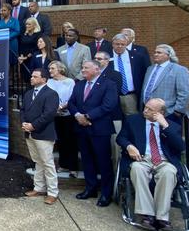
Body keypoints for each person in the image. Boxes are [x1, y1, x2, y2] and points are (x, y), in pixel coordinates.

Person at [116, 98, 184, 231]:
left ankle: (162, 217)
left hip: (163, 160)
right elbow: (121, 138)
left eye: (150, 109)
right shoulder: (133, 121)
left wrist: (165, 126)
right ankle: (147, 215)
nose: (145, 110)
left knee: (169, 173)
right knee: (137, 169)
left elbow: (180, 147)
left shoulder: (171, 126)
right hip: (142, 158)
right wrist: (129, 146)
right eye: (145, 107)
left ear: (161, 113)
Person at [68, 60, 118, 207]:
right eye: (82, 67)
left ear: (97, 69)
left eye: (86, 68)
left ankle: (106, 193)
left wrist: (88, 116)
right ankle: (90, 188)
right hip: (82, 129)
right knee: (87, 160)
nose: (83, 70)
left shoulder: (108, 84)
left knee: (103, 162)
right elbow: (71, 103)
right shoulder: (80, 84)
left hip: (100, 129)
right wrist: (78, 115)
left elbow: (108, 105)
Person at [21, 68, 60, 205]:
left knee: (48, 163)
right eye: (32, 76)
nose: (31, 78)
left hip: (43, 133)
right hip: (29, 133)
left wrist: (34, 125)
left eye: (35, 76)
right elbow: (23, 110)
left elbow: (49, 114)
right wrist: (24, 123)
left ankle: (52, 193)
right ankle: (39, 188)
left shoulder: (51, 94)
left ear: (44, 79)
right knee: (38, 161)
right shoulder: (28, 93)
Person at [140, 44, 189, 122]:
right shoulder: (150, 69)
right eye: (155, 52)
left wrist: (176, 111)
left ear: (168, 55)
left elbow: (185, 93)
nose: (155, 54)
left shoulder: (179, 70)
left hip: (168, 113)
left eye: (159, 52)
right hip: (148, 112)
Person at [47, 61, 77, 178]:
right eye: (49, 69)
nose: (50, 71)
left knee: (71, 141)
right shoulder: (49, 82)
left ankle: (73, 167)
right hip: (54, 116)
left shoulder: (69, 82)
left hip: (67, 115)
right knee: (60, 141)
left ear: (60, 69)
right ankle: (63, 165)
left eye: (52, 68)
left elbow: (72, 97)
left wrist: (61, 107)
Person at [111, 33, 147, 116]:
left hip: (131, 96)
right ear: (112, 44)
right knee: (115, 122)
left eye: (122, 44)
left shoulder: (137, 57)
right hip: (113, 96)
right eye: (117, 44)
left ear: (126, 44)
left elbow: (144, 74)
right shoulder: (106, 57)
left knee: (132, 120)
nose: (120, 46)